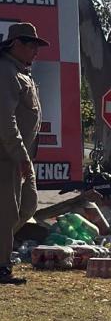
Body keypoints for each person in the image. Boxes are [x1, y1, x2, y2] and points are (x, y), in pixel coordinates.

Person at [0, 23, 48, 286]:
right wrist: (19, 154)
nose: (35, 51)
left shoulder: (23, 73)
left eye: (36, 46)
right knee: (7, 213)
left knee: (28, 205)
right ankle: (2, 267)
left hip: (20, 156)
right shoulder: (6, 71)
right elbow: (5, 120)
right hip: (6, 156)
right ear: (15, 43)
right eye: (30, 45)